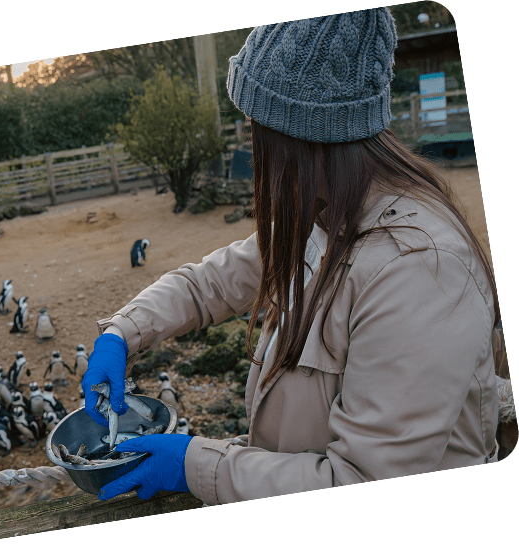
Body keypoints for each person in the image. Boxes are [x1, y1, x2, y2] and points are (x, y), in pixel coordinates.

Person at [81, 7, 501, 506]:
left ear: (304, 135)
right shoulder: (327, 215)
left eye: (256, 129)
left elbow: (365, 482)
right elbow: (208, 284)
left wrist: (197, 465)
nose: (252, 147)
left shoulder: (421, 271)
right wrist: (122, 333)